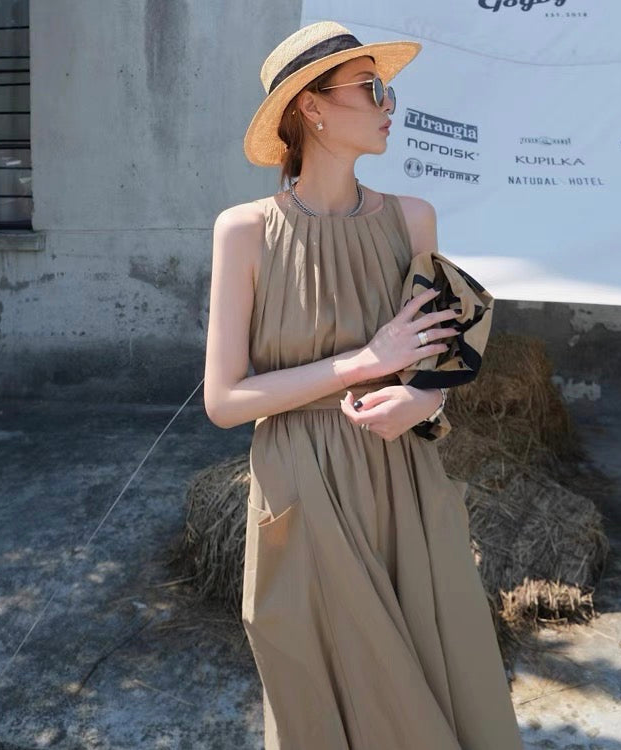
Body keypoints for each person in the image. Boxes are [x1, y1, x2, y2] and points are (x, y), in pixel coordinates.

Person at [203, 20, 524, 750]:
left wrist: (423, 398)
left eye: (388, 89)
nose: (390, 104)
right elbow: (223, 401)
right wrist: (361, 361)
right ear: (311, 107)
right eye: (372, 88)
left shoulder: (413, 219)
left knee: (440, 675)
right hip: (301, 484)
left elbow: (437, 360)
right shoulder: (244, 231)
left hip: (403, 477)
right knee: (326, 695)